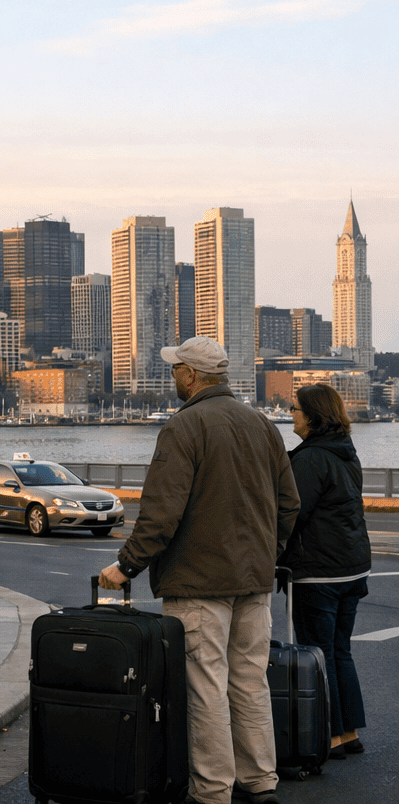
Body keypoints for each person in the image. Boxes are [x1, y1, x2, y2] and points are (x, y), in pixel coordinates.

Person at [99, 336, 300, 804]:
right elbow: (289, 504)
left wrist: (126, 566)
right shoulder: (263, 425)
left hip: (198, 583)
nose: (173, 377)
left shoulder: (184, 427)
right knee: (250, 681)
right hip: (253, 581)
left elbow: (161, 513)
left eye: (175, 370)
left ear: (190, 375)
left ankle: (212, 790)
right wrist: (267, 553)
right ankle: (260, 780)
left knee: (206, 687)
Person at [278, 383, 371, 759]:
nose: (291, 414)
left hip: (319, 572)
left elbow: (291, 514)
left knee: (319, 653)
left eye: (295, 409)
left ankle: (329, 735)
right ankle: (348, 731)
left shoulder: (311, 459)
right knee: (339, 650)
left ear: (313, 417)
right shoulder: (346, 453)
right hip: (352, 567)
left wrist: (273, 555)